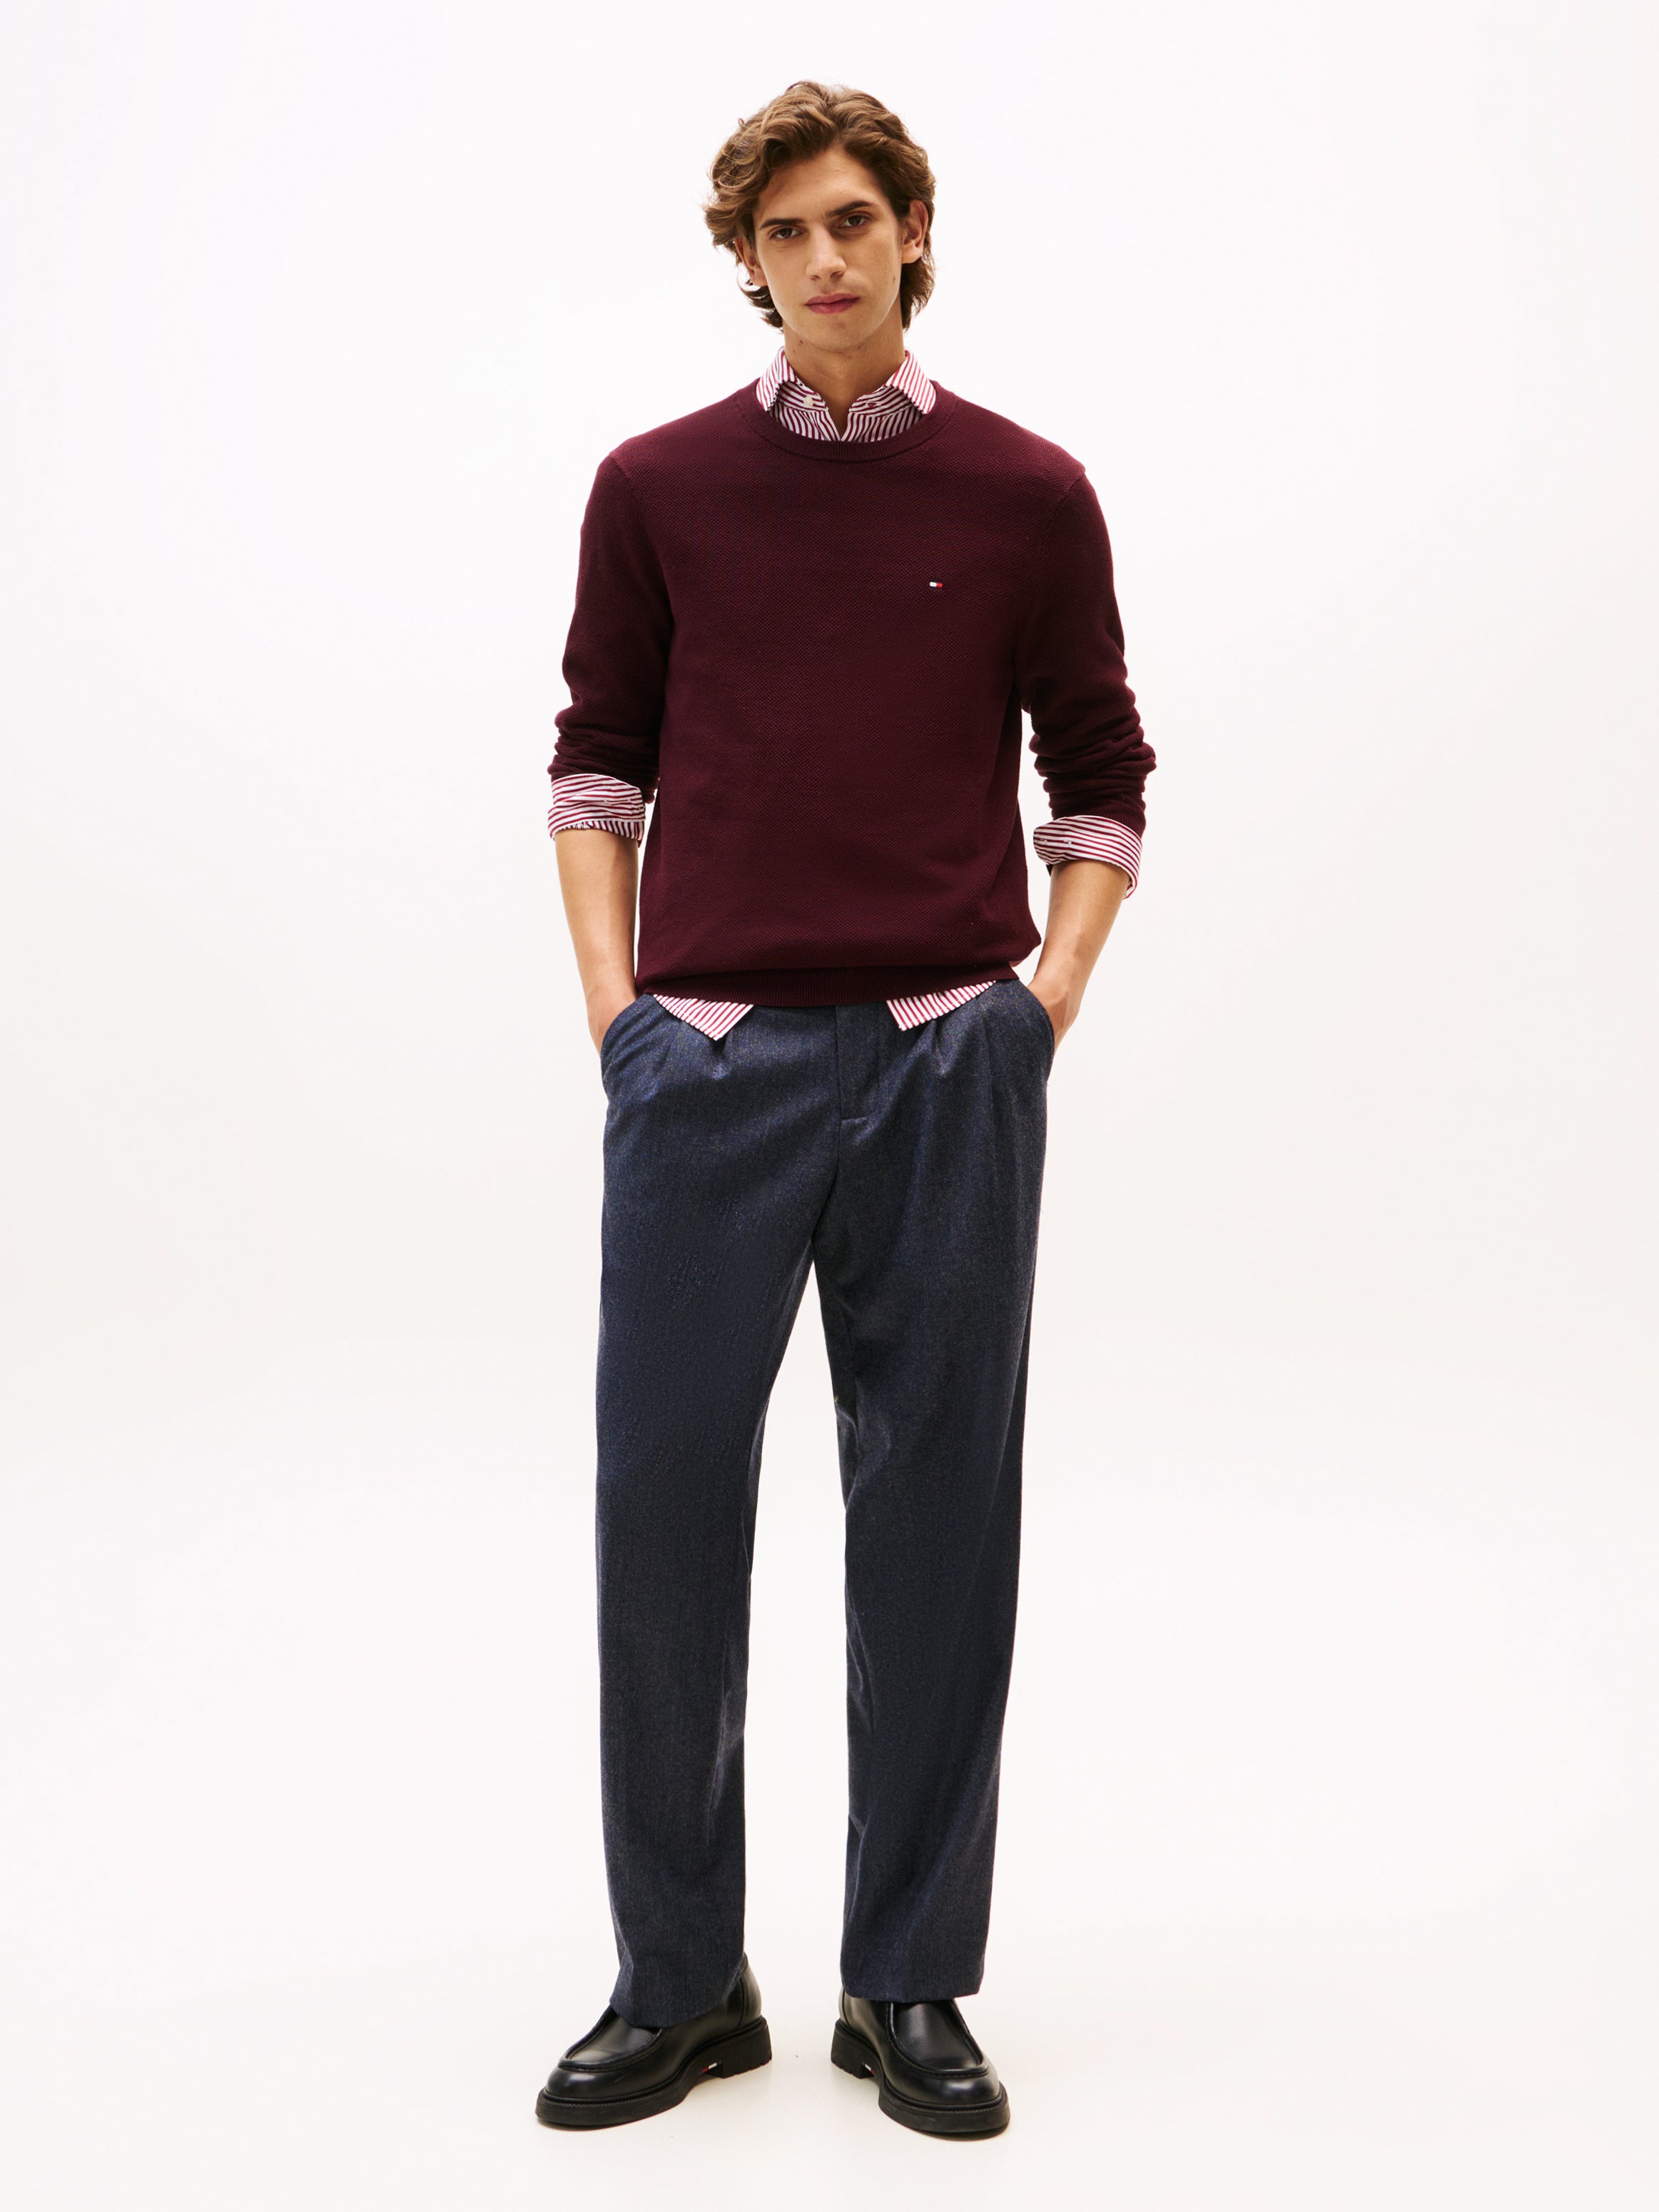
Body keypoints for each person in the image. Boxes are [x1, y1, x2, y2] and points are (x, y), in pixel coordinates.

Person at [533, 79, 1154, 2141]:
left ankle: (905, 1981)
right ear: (747, 256)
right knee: (661, 1512)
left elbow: (1101, 772)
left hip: (945, 1055)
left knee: (939, 1520)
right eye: (785, 228)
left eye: (853, 221)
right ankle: (679, 1981)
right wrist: (624, 1020)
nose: (823, 256)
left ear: (911, 236)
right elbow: (597, 763)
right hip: (707, 1065)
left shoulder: (1028, 494)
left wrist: (1036, 1007)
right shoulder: (655, 487)